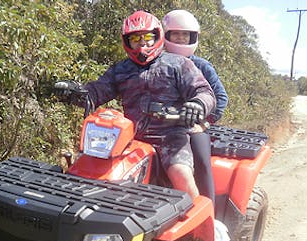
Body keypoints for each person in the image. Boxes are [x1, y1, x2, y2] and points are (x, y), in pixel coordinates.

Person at [82, 10, 216, 199]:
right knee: (94, 172)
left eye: (147, 37)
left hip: (171, 137)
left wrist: (198, 104)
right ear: (127, 41)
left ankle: (202, 226)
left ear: (157, 37)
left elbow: (204, 92)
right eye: (135, 39)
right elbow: (98, 91)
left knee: (181, 175)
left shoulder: (178, 64)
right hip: (129, 139)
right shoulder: (121, 69)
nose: (142, 43)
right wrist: (77, 93)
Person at [162, 9, 229, 207]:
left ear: (192, 37)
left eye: (185, 35)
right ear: (166, 35)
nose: (181, 39)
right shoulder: (157, 64)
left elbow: (220, 97)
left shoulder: (201, 65)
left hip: (193, 126)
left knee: (201, 161)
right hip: (162, 126)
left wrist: (205, 123)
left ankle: (210, 214)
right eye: (176, 34)